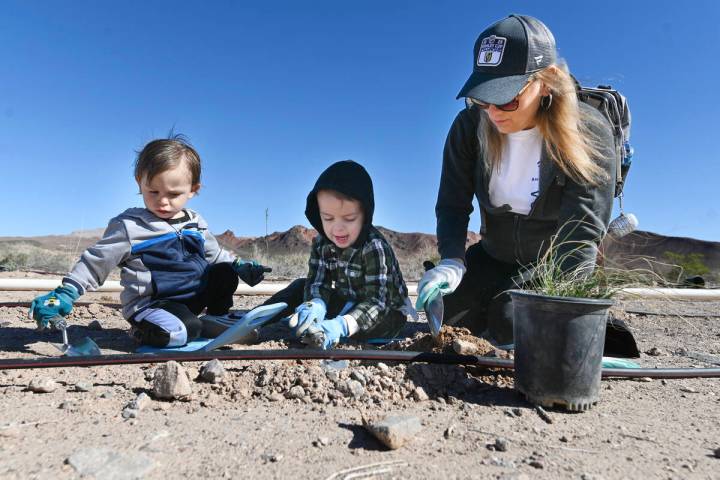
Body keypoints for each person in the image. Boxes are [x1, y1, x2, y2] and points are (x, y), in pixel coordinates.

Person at [416, 14, 616, 346]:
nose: (493, 111)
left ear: (547, 80)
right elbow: (452, 205)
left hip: (551, 264)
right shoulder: (468, 129)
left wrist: (564, 303)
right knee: (446, 315)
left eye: (507, 97)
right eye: (483, 97)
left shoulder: (588, 132)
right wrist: (451, 261)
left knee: (511, 322)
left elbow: (579, 236)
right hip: (494, 255)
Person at [28, 135, 270, 347]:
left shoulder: (196, 221)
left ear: (193, 189)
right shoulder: (129, 226)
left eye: (174, 194)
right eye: (153, 192)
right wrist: (64, 293)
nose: (163, 201)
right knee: (180, 333)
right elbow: (95, 262)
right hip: (154, 305)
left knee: (223, 272)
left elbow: (215, 255)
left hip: (192, 299)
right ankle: (146, 329)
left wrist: (240, 266)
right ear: (139, 182)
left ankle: (215, 319)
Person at [261, 160, 415, 349]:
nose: (338, 228)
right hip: (347, 300)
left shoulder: (374, 247)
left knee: (369, 320)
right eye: (328, 218)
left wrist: (342, 325)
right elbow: (318, 282)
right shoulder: (321, 243)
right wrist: (315, 303)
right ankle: (255, 322)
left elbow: (377, 303)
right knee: (300, 286)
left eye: (349, 218)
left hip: (385, 314)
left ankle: (327, 330)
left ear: (365, 215)